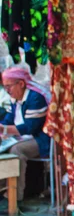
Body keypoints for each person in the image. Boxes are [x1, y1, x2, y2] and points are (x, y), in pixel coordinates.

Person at [0, 67, 50, 205]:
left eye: (9, 86)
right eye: (5, 87)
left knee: (17, 151)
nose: (7, 90)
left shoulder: (35, 98)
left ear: (21, 84)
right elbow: (9, 119)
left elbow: (30, 127)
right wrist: (2, 129)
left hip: (39, 139)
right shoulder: (14, 98)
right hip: (22, 137)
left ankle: (15, 196)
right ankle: (3, 187)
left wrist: (4, 129)